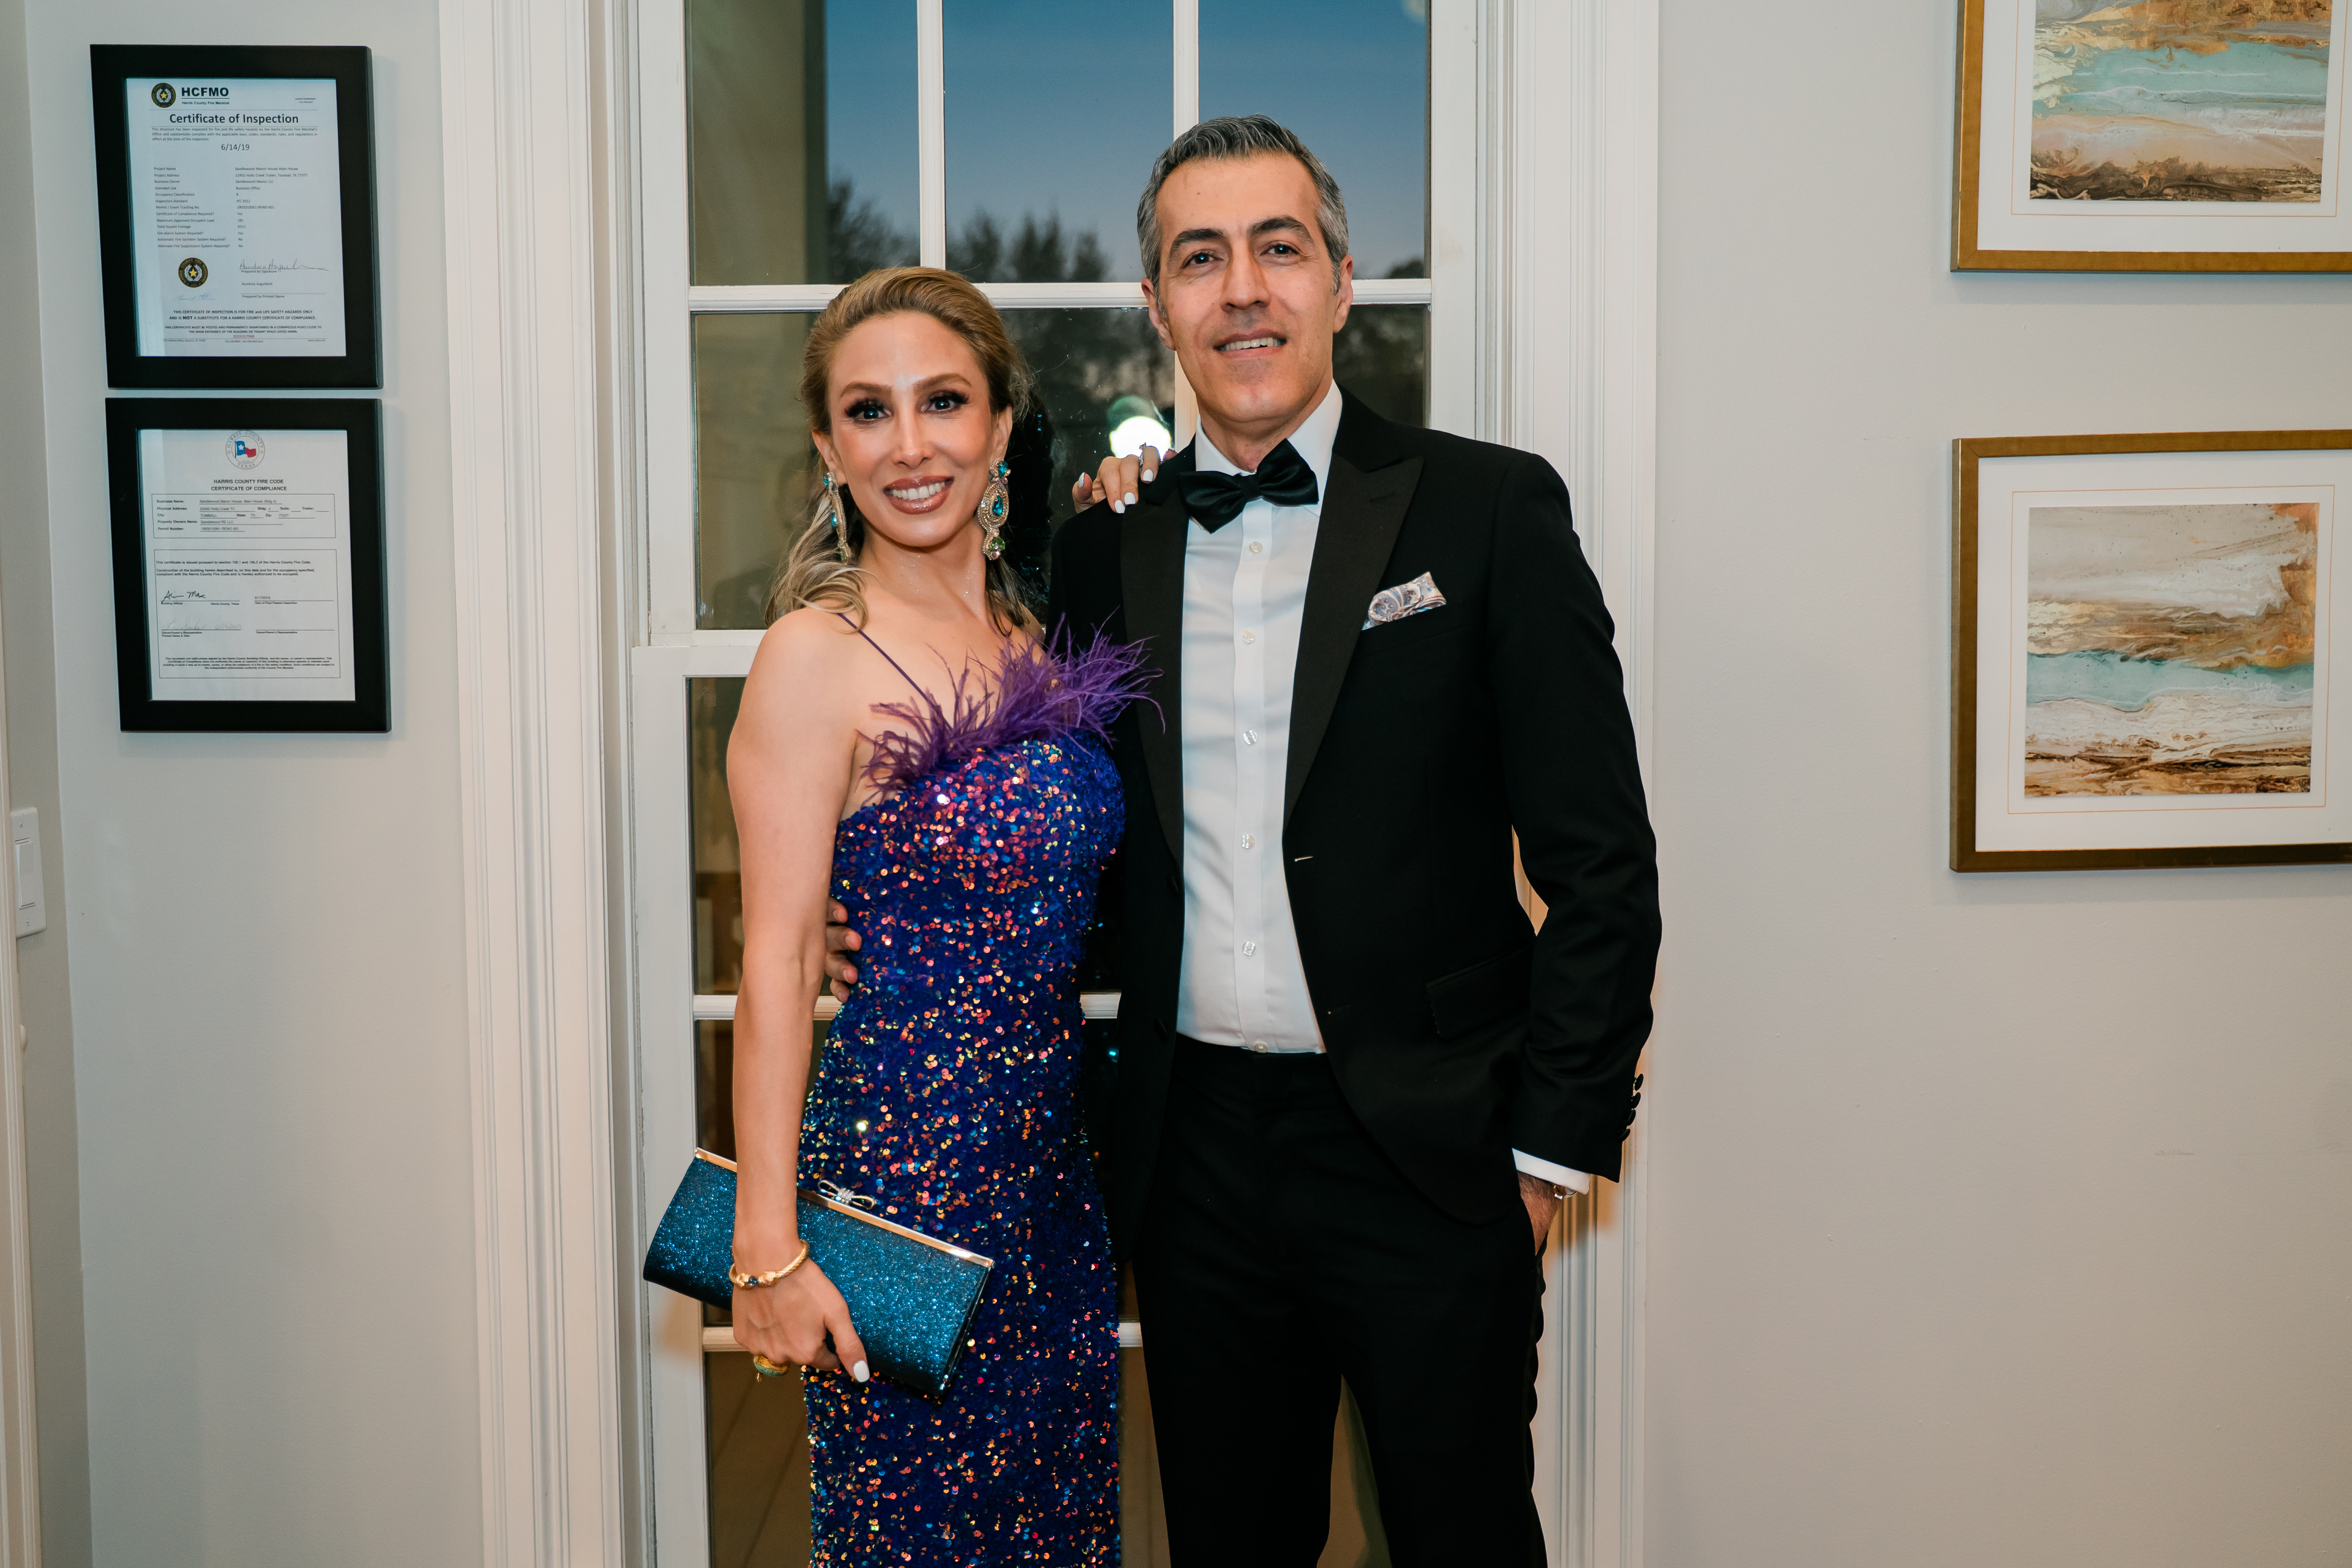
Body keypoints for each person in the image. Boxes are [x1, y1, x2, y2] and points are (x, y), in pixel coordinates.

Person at [829, 116, 1660, 1562]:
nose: (1245, 290)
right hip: (1191, 1159)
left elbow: (1603, 864)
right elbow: (1077, 835)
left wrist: (1547, 1154)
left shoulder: (1487, 510)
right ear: (1157, 306)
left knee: (1463, 1537)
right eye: (1200, 259)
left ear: (1340, 280)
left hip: (1431, 1153)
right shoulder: (1103, 548)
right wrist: (904, 918)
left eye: (1279, 248)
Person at [725, 267, 1141, 1564]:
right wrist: (767, 1251)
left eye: (944, 402)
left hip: (1053, 1186)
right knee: (918, 1530)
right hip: (904, 1179)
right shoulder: (814, 654)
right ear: (828, 449)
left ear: (1002, 425)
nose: (909, 445)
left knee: (1058, 1523)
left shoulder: (1036, 630)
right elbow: (778, 963)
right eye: (869, 411)